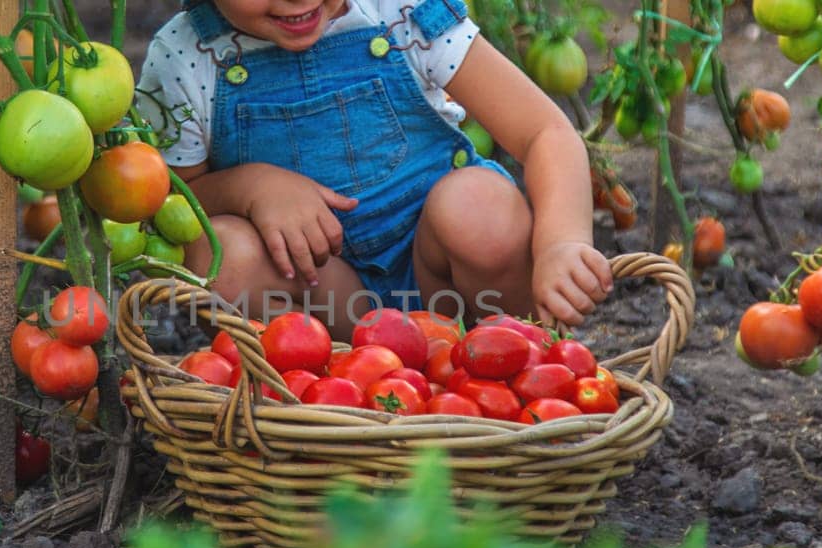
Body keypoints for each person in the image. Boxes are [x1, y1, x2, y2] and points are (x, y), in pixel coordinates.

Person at [134, 0, 612, 340]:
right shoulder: (186, 56)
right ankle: (349, 395)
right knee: (218, 254)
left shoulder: (399, 12)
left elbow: (545, 132)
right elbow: (178, 198)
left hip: (443, 278)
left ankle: (515, 354)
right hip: (324, 294)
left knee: (479, 204)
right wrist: (253, 187)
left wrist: (561, 243)